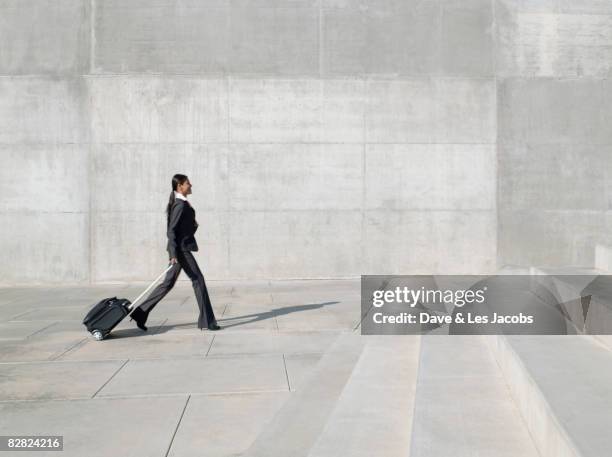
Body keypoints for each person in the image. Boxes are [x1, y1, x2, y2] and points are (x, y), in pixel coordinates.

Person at [130, 174, 221, 331]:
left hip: (179, 248)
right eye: (187, 183)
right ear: (179, 186)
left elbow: (179, 229)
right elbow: (171, 231)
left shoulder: (182, 203)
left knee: (168, 284)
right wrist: (173, 254)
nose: (190, 185)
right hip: (181, 250)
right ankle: (208, 321)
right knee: (198, 280)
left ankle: (140, 313)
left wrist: (193, 225)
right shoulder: (180, 204)